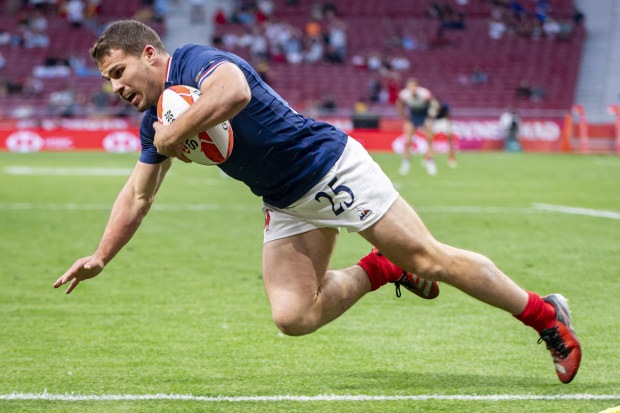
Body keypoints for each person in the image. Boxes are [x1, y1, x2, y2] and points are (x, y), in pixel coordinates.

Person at [54, 20, 581, 384]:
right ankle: (380, 270)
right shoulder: (155, 124)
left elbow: (233, 92)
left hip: (330, 166)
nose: (115, 88)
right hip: (285, 200)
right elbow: (137, 195)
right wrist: (102, 254)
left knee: (430, 259)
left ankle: (545, 316)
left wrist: (177, 135)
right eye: (107, 81)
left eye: (118, 72)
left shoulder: (194, 62)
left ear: (149, 55)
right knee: (293, 316)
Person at [395, 77, 432, 175]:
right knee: (408, 140)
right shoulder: (404, 94)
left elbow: (431, 106)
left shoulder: (424, 94)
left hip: (424, 115)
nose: (412, 89)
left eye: (414, 86)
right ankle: (406, 162)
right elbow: (399, 105)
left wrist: (429, 119)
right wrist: (405, 119)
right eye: (410, 86)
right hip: (413, 115)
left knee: (429, 139)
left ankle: (429, 161)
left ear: (417, 86)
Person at [425, 97, 457, 171]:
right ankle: (427, 157)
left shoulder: (444, 107)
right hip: (436, 122)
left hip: (444, 121)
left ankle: (451, 158)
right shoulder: (431, 109)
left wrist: (448, 124)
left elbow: (448, 115)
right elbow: (430, 118)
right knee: (429, 139)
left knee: (450, 139)